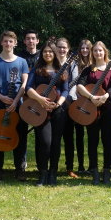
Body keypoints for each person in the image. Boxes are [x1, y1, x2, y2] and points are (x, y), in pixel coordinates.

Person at [25, 41, 69, 185]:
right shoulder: (36, 69)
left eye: (50, 51)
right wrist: (40, 99)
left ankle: (53, 173)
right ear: (42, 53)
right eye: (45, 51)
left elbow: (65, 90)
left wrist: (58, 104)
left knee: (55, 143)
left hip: (57, 110)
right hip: (40, 110)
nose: (48, 54)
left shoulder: (61, 69)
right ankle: (42, 172)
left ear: (54, 53)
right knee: (45, 142)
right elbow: (28, 88)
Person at [0, 31, 29, 182]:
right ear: (1, 43)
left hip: (18, 106)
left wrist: (16, 101)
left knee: (20, 138)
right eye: (5, 41)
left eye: (10, 41)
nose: (8, 44)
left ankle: (20, 169)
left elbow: (25, 84)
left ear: (15, 43)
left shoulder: (22, 62)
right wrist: (2, 97)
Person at [76, 41, 111, 184]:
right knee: (92, 140)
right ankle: (94, 171)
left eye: (100, 51)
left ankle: (106, 171)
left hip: (107, 109)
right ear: (92, 53)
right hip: (90, 108)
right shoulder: (88, 69)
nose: (97, 53)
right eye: (95, 51)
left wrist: (105, 97)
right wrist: (92, 97)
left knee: (107, 141)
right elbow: (80, 85)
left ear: (105, 52)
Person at [14, 29, 40, 180]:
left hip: (40, 99)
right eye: (28, 39)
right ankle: (20, 166)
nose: (30, 41)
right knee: (21, 133)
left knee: (40, 134)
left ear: (37, 41)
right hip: (23, 98)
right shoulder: (19, 58)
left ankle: (41, 166)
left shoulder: (43, 56)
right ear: (24, 41)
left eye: (33, 38)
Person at [59, 38, 86, 178]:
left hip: (68, 103)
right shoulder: (52, 63)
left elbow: (74, 84)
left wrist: (67, 100)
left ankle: (69, 167)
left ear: (68, 49)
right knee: (54, 138)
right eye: (59, 47)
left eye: (64, 47)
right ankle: (52, 166)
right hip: (53, 102)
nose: (62, 50)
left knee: (69, 137)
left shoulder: (73, 64)